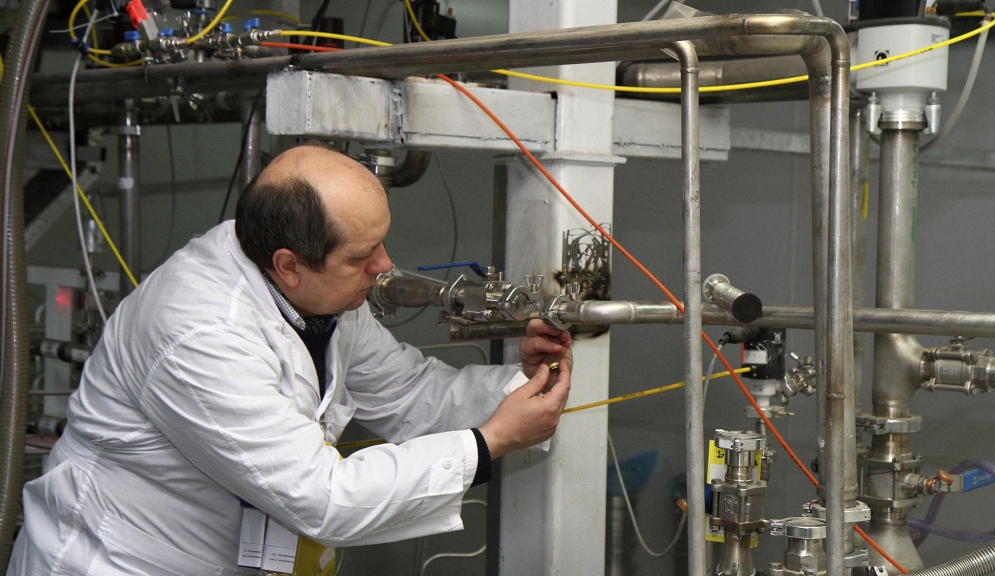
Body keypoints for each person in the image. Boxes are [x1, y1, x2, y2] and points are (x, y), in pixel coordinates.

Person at [8, 144, 572, 575]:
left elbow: (406, 392)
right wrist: (489, 442)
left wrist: (519, 389)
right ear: (289, 264)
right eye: (362, 255)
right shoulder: (200, 332)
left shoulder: (320, 291)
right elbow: (322, 497)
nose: (384, 266)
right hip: (118, 562)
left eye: (381, 242)